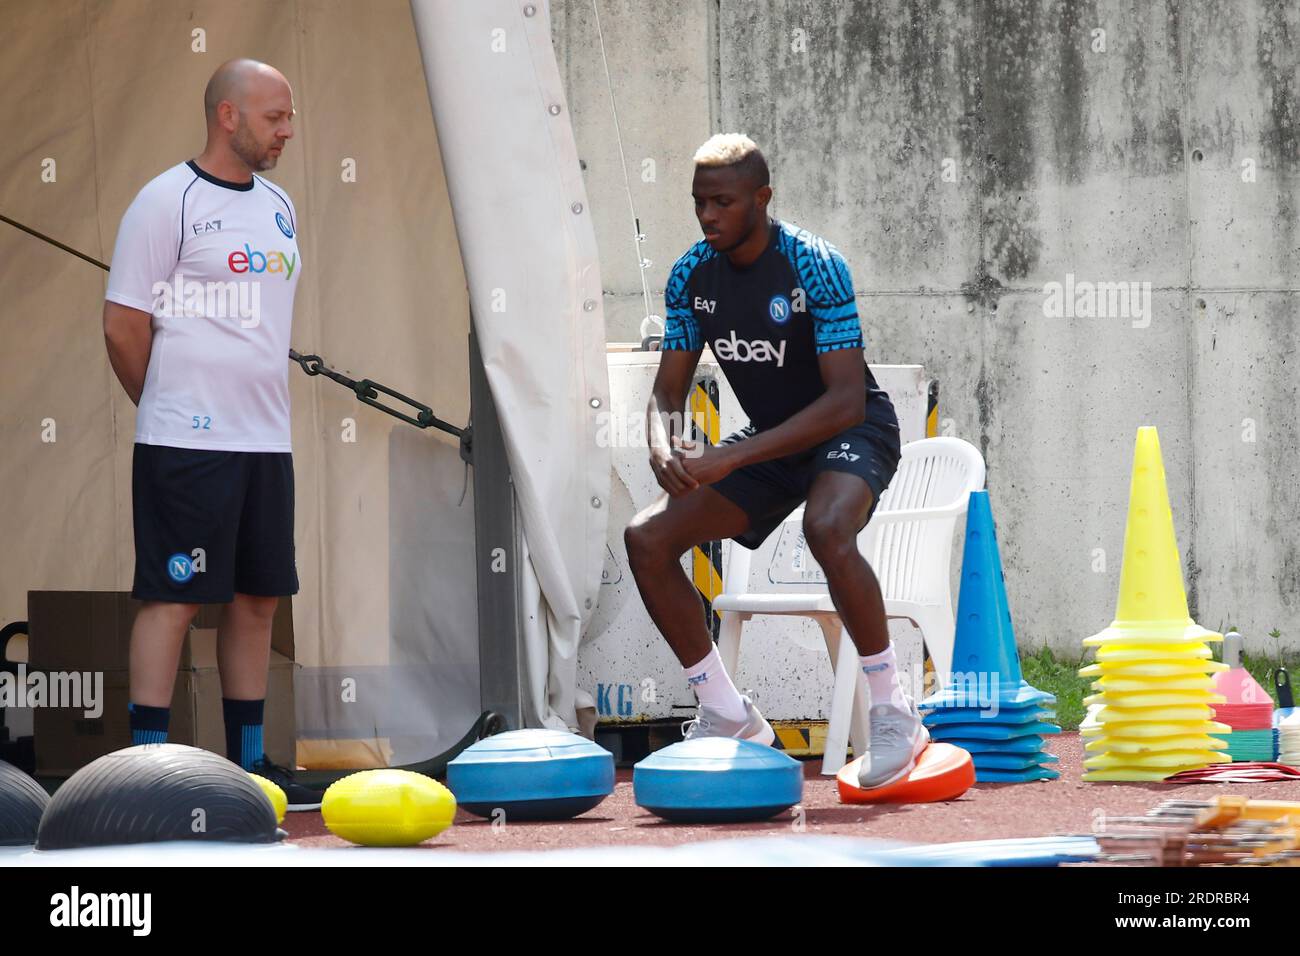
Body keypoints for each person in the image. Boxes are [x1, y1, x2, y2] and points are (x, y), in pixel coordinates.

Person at [624, 133, 928, 789]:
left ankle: (894, 711)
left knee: (826, 528)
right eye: (700, 203)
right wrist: (660, 440)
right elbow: (668, 391)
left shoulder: (815, 265)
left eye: (724, 202)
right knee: (647, 539)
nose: (709, 217)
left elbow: (845, 400)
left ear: (762, 198)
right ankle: (726, 711)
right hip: (772, 440)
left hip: (852, 429)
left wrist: (725, 460)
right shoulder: (690, 276)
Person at [101, 58, 319, 809]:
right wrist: (166, 404)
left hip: (266, 440)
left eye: (289, 116)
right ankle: (147, 769)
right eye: (274, 117)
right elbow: (125, 324)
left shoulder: (283, 205)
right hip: (187, 443)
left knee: (259, 598)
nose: (287, 129)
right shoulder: (167, 202)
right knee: (176, 597)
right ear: (228, 116)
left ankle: (252, 766)